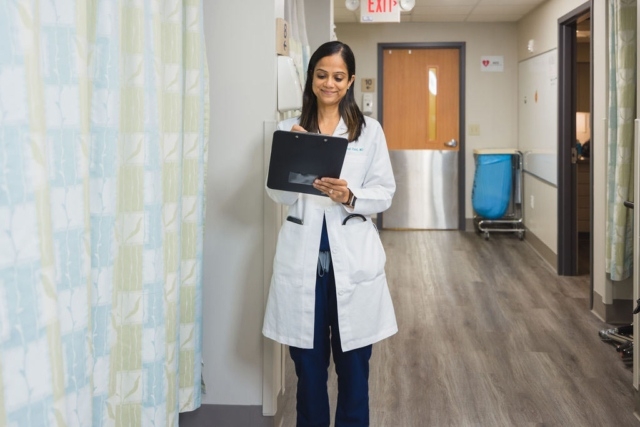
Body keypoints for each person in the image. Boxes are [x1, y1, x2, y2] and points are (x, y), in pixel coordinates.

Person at [262, 40, 397, 427]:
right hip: (304, 255)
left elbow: (384, 192)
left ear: (350, 80)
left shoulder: (368, 132)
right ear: (311, 78)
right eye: (322, 75)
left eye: (338, 76)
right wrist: (295, 160)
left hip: (350, 256)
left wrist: (350, 195)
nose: (329, 83)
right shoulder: (289, 128)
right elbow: (276, 193)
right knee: (308, 365)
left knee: (354, 365)